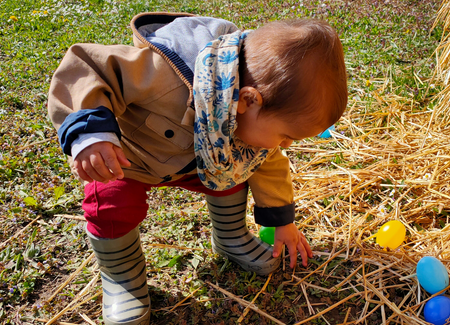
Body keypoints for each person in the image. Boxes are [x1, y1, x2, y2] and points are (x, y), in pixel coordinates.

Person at [47, 12, 347, 324]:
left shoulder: (250, 127)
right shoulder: (162, 73)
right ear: (248, 100)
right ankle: (122, 276)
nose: (285, 145)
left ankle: (231, 236)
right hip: (128, 162)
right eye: (286, 135)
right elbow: (90, 66)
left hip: (194, 164)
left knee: (238, 171)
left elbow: (270, 167)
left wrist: (283, 222)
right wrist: (91, 134)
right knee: (110, 206)